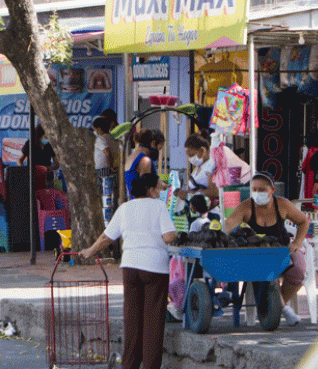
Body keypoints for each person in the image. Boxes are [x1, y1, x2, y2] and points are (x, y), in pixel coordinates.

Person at [80, 173, 177, 369]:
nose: (160, 191)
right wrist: (177, 234)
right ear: (150, 190)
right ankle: (150, 365)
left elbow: (107, 237)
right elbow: (168, 237)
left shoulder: (124, 208)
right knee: (153, 321)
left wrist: (90, 250)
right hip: (154, 268)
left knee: (132, 319)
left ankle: (129, 364)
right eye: (159, 188)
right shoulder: (158, 206)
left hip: (130, 267)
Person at [224, 171, 310, 326]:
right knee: (269, 275)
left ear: (272, 190)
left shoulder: (282, 204)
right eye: (254, 189)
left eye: (262, 190)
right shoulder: (246, 207)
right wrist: (215, 229)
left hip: (284, 249)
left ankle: (274, 307)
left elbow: (304, 221)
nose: (257, 193)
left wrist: (297, 243)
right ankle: (282, 309)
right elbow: (229, 224)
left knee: (298, 273)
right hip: (258, 255)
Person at [174, 132, 220, 220]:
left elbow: (215, 192)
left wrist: (190, 194)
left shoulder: (210, 166)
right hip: (196, 214)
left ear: (202, 150)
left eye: (191, 155)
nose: (190, 158)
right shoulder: (199, 166)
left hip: (208, 215)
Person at [124, 128, 165, 199]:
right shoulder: (145, 160)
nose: (158, 152)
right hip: (143, 204)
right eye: (159, 148)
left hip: (135, 202)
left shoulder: (131, 157)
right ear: (153, 143)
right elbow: (146, 189)